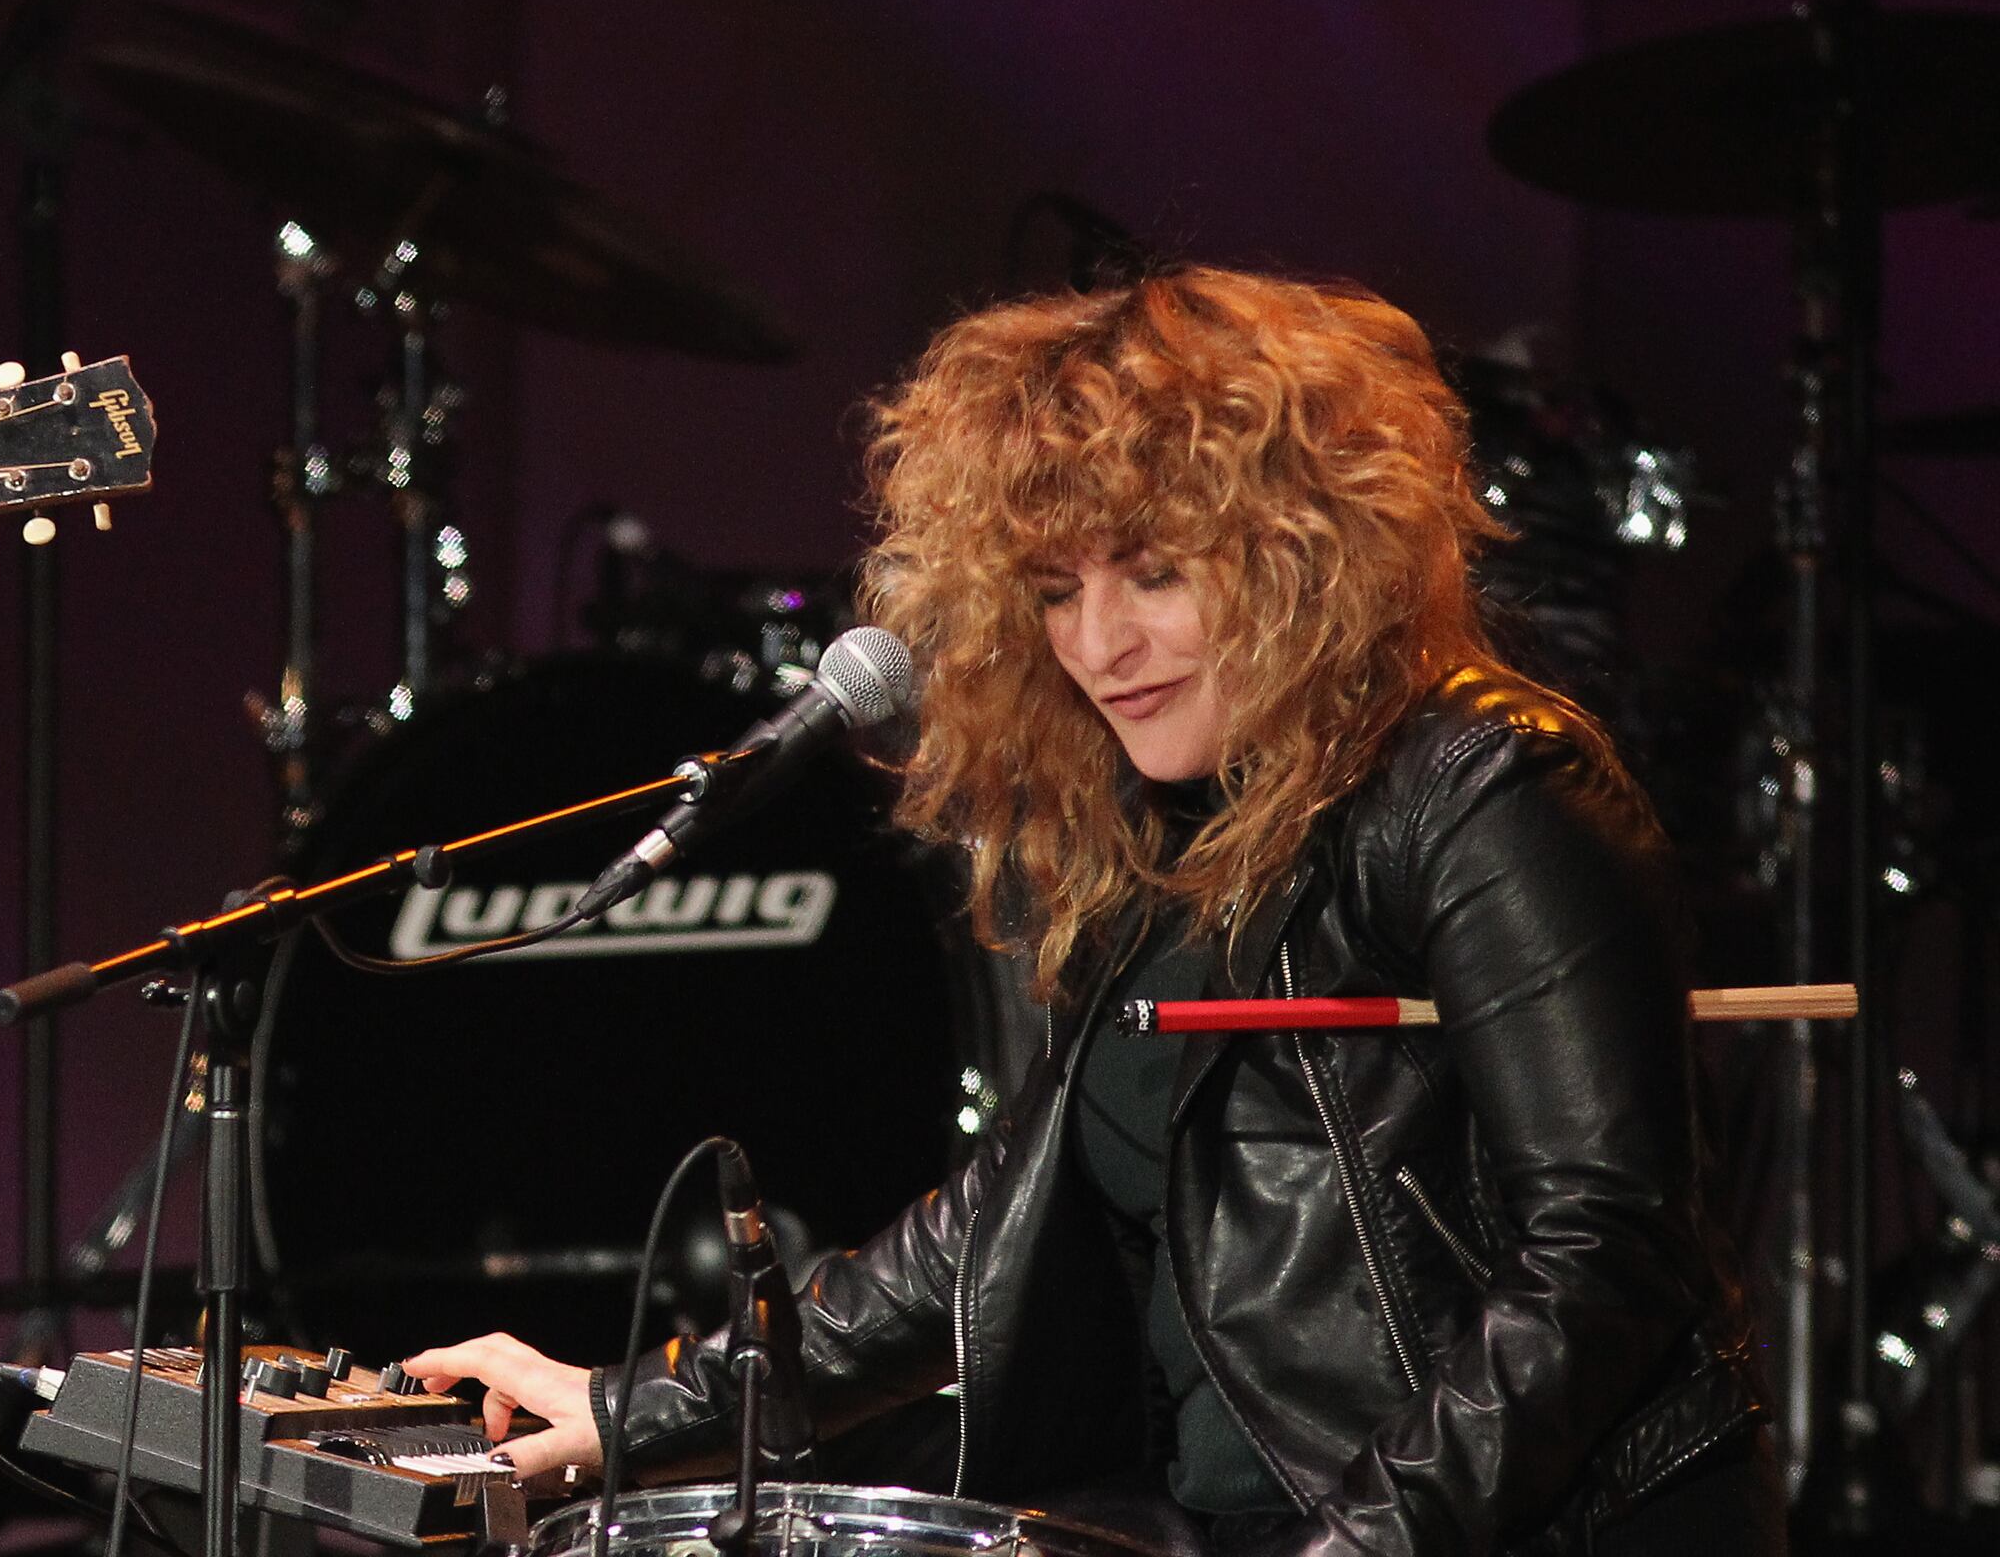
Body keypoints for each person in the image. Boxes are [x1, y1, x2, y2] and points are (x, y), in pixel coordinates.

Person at [405, 268, 1774, 1557]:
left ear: (1303, 551)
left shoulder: (1486, 786)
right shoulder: (1164, 831)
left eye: (1155, 574)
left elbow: (1605, 1259)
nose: (1098, 643)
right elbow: (993, 1233)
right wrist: (626, 1414)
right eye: (1058, 590)